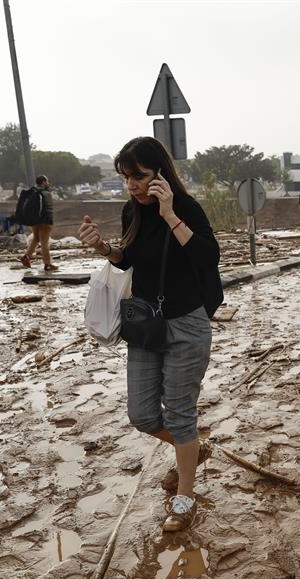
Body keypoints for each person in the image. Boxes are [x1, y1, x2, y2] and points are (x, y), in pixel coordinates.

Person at [76, 136, 223, 532]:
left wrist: (170, 214)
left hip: (187, 323)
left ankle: (184, 499)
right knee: (141, 415)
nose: (132, 186)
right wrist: (105, 249)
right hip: (145, 324)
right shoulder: (131, 212)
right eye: (126, 178)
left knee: (179, 415)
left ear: (160, 173)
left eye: (138, 177)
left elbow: (208, 258)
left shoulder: (186, 207)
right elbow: (130, 261)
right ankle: (194, 448)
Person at [19, 175, 57, 271]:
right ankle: (47, 264)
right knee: (44, 243)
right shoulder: (46, 193)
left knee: (36, 239)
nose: (48, 183)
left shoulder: (32, 192)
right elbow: (49, 209)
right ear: (43, 182)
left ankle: (26, 257)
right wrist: (49, 222)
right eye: (47, 181)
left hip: (34, 221)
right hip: (45, 221)